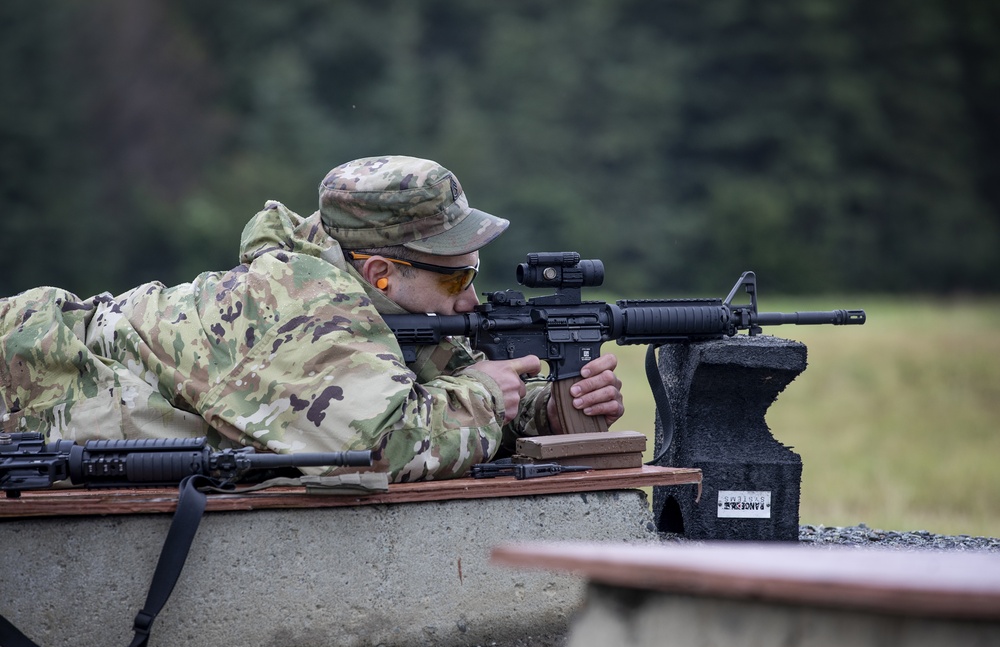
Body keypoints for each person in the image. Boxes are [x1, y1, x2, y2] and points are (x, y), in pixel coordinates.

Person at [0, 155, 624, 483]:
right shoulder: (305, 303)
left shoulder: (383, 302)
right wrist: (488, 399)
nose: (469, 296)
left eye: (474, 271)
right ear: (381, 272)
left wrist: (548, 406)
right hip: (24, 377)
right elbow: (375, 449)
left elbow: (438, 390)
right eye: (454, 276)